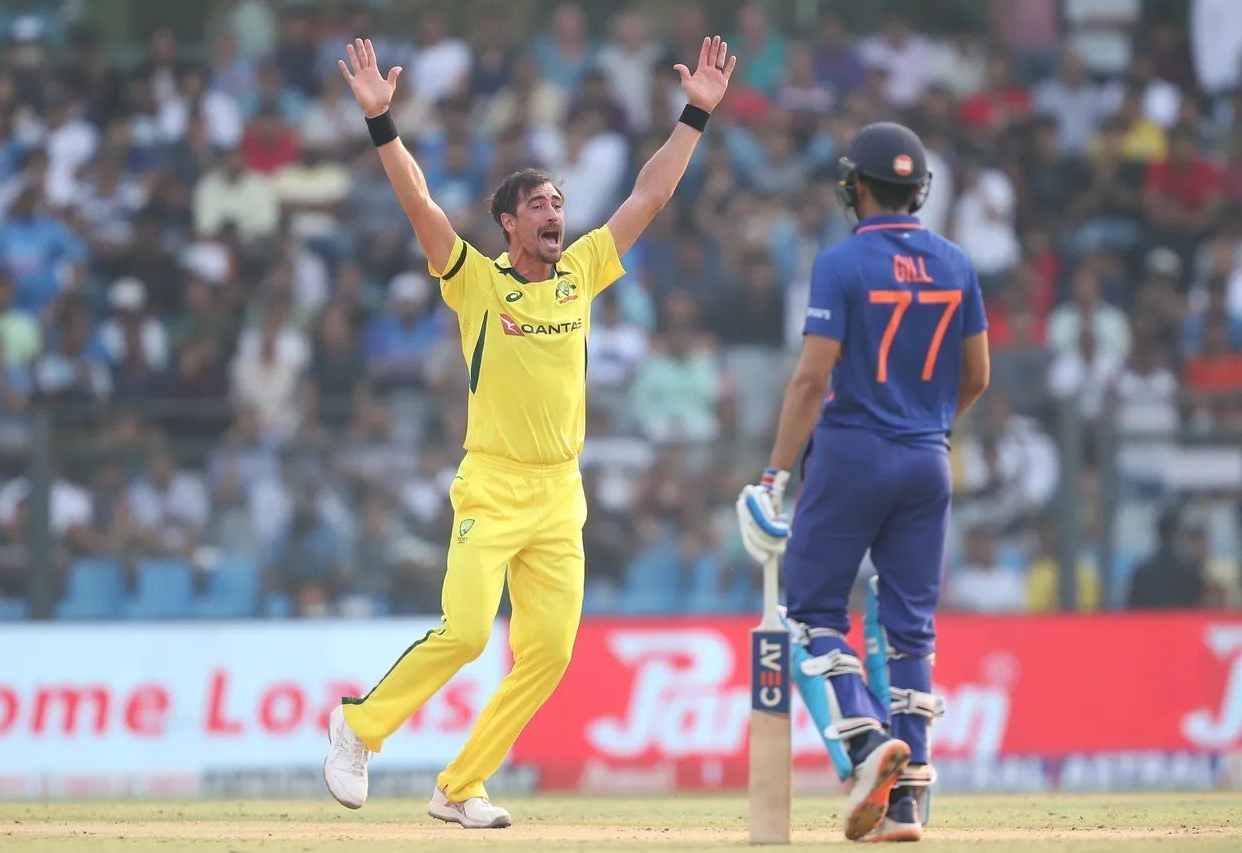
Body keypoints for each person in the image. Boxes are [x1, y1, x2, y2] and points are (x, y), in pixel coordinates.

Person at [324, 35, 737, 827]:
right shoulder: (477, 281)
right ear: (510, 223)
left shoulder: (581, 271)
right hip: (493, 481)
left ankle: (459, 786)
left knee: (548, 654)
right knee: (471, 629)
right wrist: (383, 123)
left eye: (559, 203)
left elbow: (647, 197)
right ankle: (358, 723)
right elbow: (420, 205)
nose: (557, 213)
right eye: (540, 205)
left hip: (559, 493)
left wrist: (695, 115)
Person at [737, 123, 990, 842]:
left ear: (860, 187)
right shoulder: (956, 263)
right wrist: (929, 424)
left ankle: (862, 742)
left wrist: (773, 473)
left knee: (813, 609)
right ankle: (904, 804)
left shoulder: (842, 264)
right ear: (920, 190)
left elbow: (813, 377)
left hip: (852, 455)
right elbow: (977, 377)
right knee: (911, 631)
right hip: (926, 460)